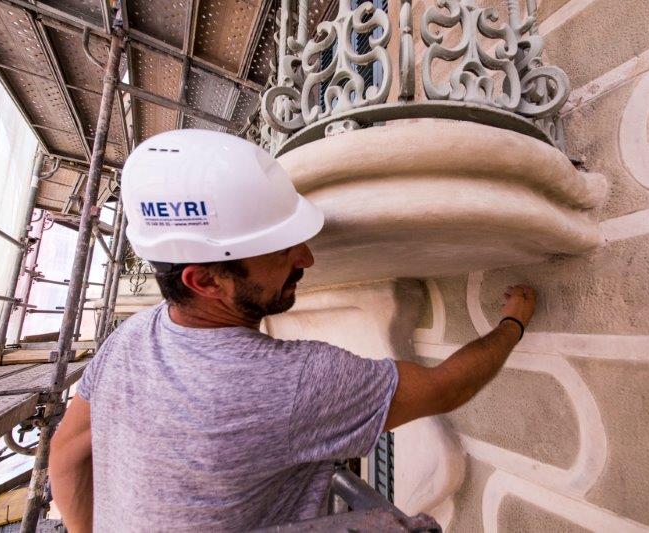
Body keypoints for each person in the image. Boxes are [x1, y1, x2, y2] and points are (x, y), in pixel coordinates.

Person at [49, 129, 536, 532]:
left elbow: (66, 454)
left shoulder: (127, 341)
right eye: (281, 250)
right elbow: (448, 387)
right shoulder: (290, 383)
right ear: (207, 281)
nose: (306, 257)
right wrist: (513, 324)